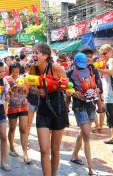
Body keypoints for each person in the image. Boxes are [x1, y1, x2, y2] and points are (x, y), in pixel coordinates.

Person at [30, 43, 69, 176]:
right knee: (44, 150)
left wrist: (50, 87)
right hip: (43, 112)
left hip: (58, 110)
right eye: (33, 52)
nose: (33, 55)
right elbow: (30, 86)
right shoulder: (33, 69)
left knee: (55, 149)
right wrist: (37, 90)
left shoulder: (56, 68)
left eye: (37, 52)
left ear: (46, 56)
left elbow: (67, 86)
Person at [67, 52, 101, 175]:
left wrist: (96, 90)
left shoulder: (92, 69)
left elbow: (99, 85)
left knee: (83, 133)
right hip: (79, 107)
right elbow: (66, 88)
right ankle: (90, 168)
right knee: (87, 136)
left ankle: (75, 155)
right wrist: (73, 92)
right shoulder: (70, 73)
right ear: (75, 62)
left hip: (91, 105)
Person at [5, 62, 30, 164]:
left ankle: (25, 153)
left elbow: (27, 92)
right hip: (12, 107)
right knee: (12, 128)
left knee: (23, 128)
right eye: (14, 72)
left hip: (23, 106)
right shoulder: (7, 79)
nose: (15, 74)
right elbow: (6, 94)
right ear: (10, 71)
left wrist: (24, 88)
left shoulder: (23, 79)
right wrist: (12, 89)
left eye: (17, 71)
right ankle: (11, 147)